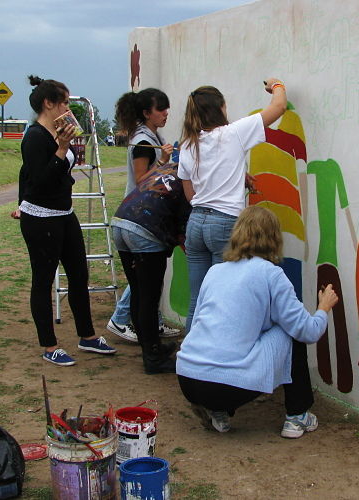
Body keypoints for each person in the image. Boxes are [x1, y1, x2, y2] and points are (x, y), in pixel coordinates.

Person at [176, 206, 339, 438]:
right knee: (290, 330)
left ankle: (217, 412)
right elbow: (306, 331)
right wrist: (323, 308)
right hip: (227, 386)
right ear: (274, 238)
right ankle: (297, 416)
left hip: (188, 379)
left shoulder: (215, 271)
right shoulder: (271, 274)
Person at [12, 75, 116, 366]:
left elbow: (52, 174)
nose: (68, 107)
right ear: (49, 103)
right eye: (65, 102)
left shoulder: (60, 133)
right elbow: (38, 181)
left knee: (79, 274)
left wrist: (69, 149)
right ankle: (50, 345)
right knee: (43, 280)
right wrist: (60, 149)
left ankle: (88, 336)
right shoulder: (35, 137)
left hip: (64, 214)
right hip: (41, 217)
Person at [178, 79, 287, 332]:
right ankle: (213, 364)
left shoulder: (188, 144)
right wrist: (276, 84)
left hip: (196, 223)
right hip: (224, 224)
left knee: (198, 298)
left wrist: (232, 183)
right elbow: (279, 107)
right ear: (221, 108)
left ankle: (190, 359)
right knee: (220, 299)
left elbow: (190, 193)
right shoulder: (234, 132)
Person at [106, 88, 180, 342]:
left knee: (146, 283)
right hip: (140, 217)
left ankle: (153, 325)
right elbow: (141, 180)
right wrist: (163, 161)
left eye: (166, 108)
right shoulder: (145, 141)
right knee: (144, 284)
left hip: (136, 216)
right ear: (147, 113)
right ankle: (122, 319)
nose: (166, 113)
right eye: (161, 109)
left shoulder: (147, 136)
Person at [112, 161, 192, 374]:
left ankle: (150, 346)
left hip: (121, 222)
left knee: (139, 291)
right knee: (149, 296)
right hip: (145, 229)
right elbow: (185, 220)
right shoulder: (190, 175)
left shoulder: (171, 166)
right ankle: (153, 358)